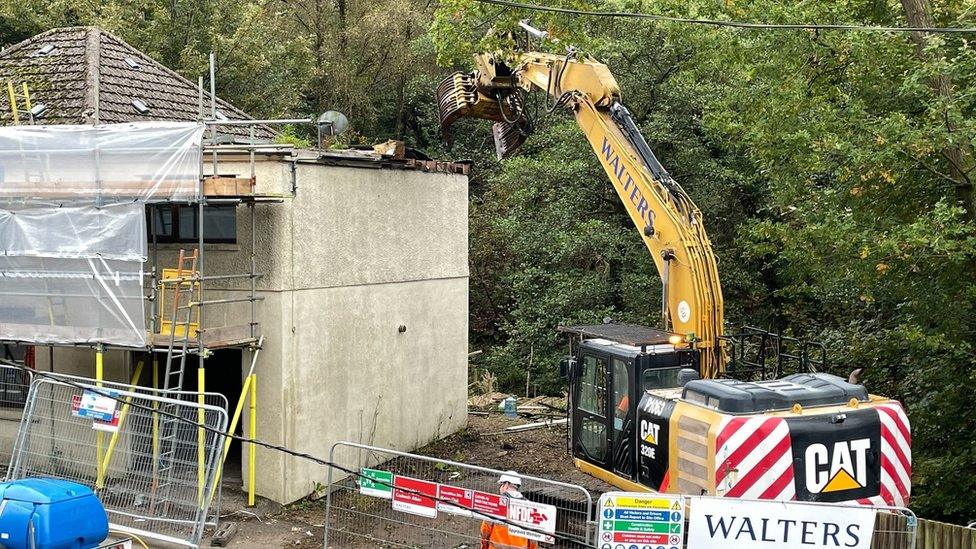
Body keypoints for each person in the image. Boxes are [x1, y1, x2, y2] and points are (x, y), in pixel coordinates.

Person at [479, 471, 538, 549]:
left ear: (506, 485)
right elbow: (533, 538)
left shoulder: (496, 504)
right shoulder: (529, 506)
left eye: (501, 485)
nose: (500, 488)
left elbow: (485, 531)